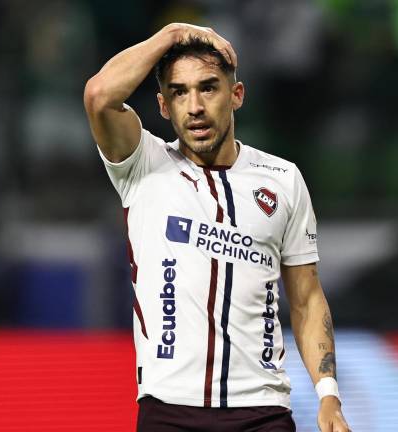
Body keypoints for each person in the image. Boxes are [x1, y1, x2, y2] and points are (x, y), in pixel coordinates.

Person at [84, 23, 351, 432]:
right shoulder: (143, 166)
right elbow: (100, 96)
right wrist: (171, 34)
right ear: (162, 105)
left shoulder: (282, 179)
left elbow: (306, 298)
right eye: (179, 92)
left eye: (208, 88)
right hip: (169, 411)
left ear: (236, 95)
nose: (194, 106)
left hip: (262, 412)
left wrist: (328, 393)